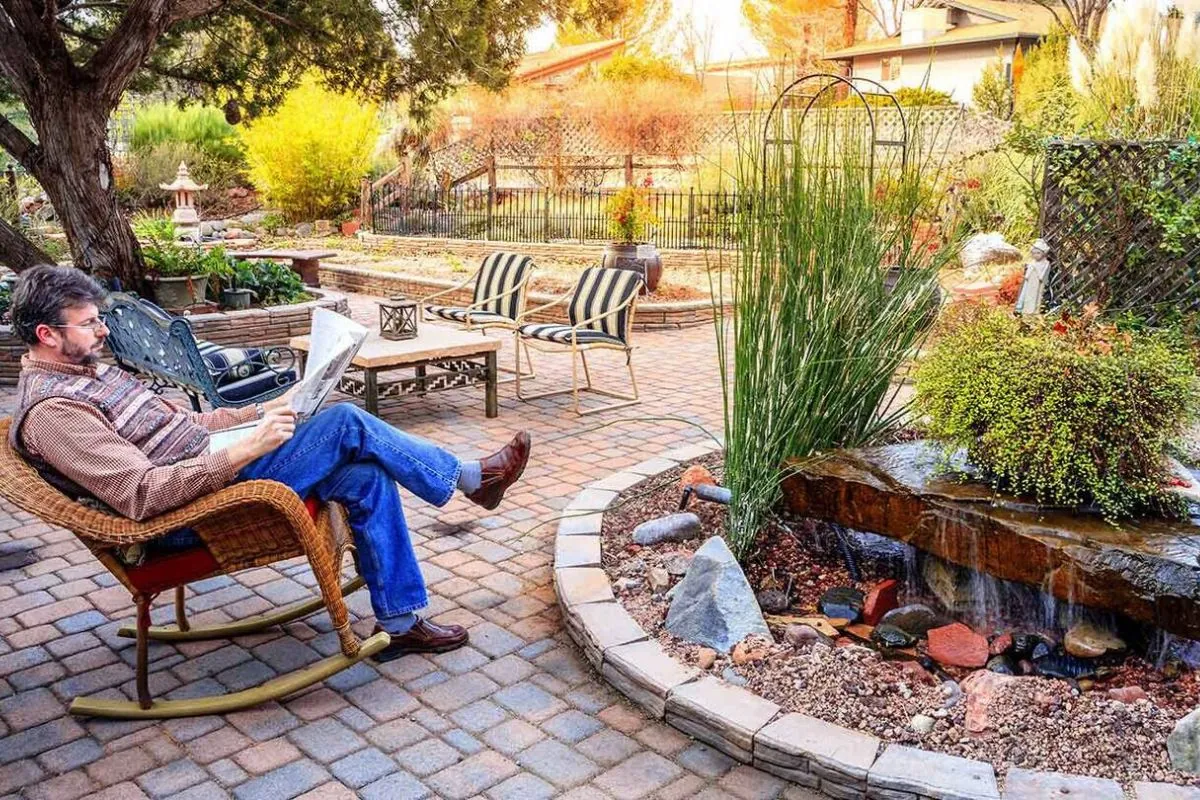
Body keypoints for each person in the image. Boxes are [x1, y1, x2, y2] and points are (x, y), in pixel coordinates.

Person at [7, 264, 532, 661]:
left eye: (99, 320)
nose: (102, 332)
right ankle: (470, 478)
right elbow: (140, 494)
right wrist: (245, 449)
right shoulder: (56, 413)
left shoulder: (91, 374)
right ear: (46, 335)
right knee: (346, 422)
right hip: (194, 516)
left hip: (211, 472)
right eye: (89, 324)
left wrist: (268, 410)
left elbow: (188, 428)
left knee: (366, 474)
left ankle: (399, 621)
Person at [1015, 239, 1051, 316]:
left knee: (1036, 297)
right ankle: (1025, 310)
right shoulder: (1032, 263)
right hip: (1029, 283)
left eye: (1038, 253)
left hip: (1038, 283)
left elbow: (1043, 276)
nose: (1036, 255)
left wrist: (1037, 270)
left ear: (1043, 253)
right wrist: (1027, 275)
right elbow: (1027, 274)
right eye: (1034, 253)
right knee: (1027, 296)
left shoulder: (1045, 263)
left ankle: (1034, 311)